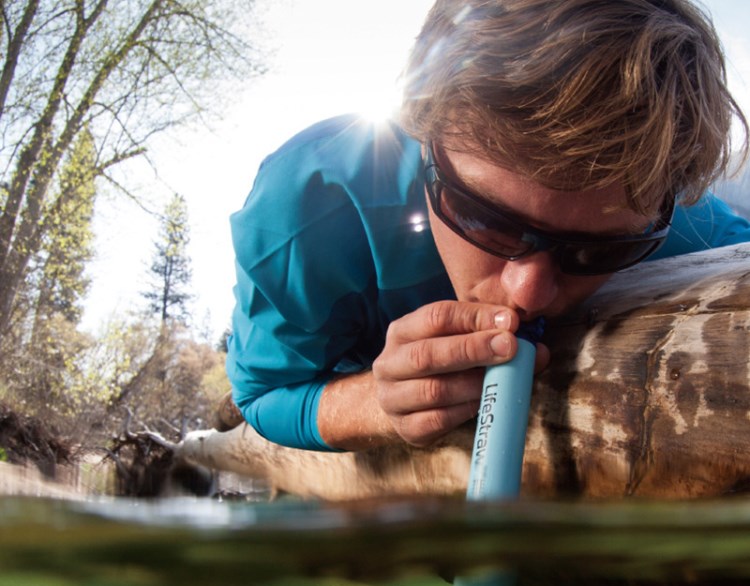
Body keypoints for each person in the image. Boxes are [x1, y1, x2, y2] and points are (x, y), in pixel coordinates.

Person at [225, 0, 750, 452]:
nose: (530, 293)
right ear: (421, 129)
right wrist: (376, 405)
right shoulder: (313, 203)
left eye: (597, 253)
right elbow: (263, 393)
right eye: (484, 217)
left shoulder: (673, 219)